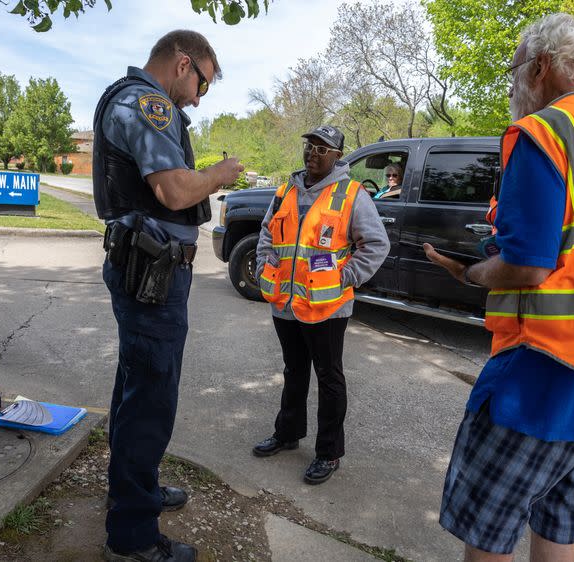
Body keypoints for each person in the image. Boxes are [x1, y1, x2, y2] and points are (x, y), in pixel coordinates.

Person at [423, 14, 574, 562]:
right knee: (559, 522)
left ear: (542, 65)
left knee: (488, 526)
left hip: (541, 372)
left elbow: (527, 267)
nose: (513, 83)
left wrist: (473, 272)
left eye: (514, 69)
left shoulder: (544, 132)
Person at [93, 30, 243, 562]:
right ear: (183, 64)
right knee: (150, 401)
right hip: (151, 277)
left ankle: (132, 493)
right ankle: (132, 538)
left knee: (136, 387)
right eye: (201, 83)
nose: (198, 98)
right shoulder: (148, 104)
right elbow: (175, 191)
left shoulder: (136, 101)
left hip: (146, 270)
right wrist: (220, 175)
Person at [252, 125, 390, 484]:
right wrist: (264, 263)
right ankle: (287, 434)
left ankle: (328, 454)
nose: (313, 153)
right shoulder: (285, 190)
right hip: (286, 301)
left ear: (337, 156)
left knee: (329, 378)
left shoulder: (351, 194)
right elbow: (268, 233)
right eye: (310, 146)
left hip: (327, 307)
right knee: (293, 371)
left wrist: (344, 277)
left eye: (322, 149)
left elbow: (375, 244)